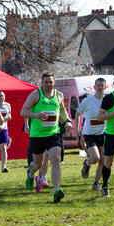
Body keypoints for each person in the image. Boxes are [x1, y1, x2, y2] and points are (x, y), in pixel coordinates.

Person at [20, 72, 72, 203]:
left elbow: (62, 111)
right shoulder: (35, 95)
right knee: (37, 164)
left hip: (53, 133)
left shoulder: (59, 95)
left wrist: (68, 121)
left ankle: (56, 190)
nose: (48, 84)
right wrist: (36, 115)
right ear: (41, 83)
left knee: (55, 159)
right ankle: (31, 174)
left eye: (51, 82)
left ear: (54, 83)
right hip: (37, 135)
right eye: (46, 82)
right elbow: (23, 111)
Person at [75, 78, 107, 190]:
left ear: (105, 87)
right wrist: (76, 131)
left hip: (102, 133)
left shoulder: (107, 101)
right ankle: (87, 163)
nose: (100, 87)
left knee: (102, 160)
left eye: (102, 85)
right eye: (98, 85)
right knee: (95, 157)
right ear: (94, 87)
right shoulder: (87, 101)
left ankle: (96, 183)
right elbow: (77, 114)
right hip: (90, 134)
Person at [0, 91, 12, 173]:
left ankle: (4, 166)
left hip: (4, 129)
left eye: (3, 96)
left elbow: (9, 116)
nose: (2, 97)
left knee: (3, 148)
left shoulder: (7, 105)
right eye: (0, 96)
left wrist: (8, 117)